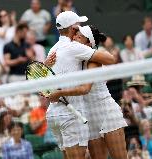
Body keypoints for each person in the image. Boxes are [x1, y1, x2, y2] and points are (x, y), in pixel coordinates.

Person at [45, 11, 117, 159]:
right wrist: (90, 48)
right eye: (78, 25)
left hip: (53, 115)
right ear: (73, 28)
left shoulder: (52, 50)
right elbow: (111, 59)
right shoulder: (74, 48)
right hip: (70, 116)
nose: (80, 27)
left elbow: (44, 82)